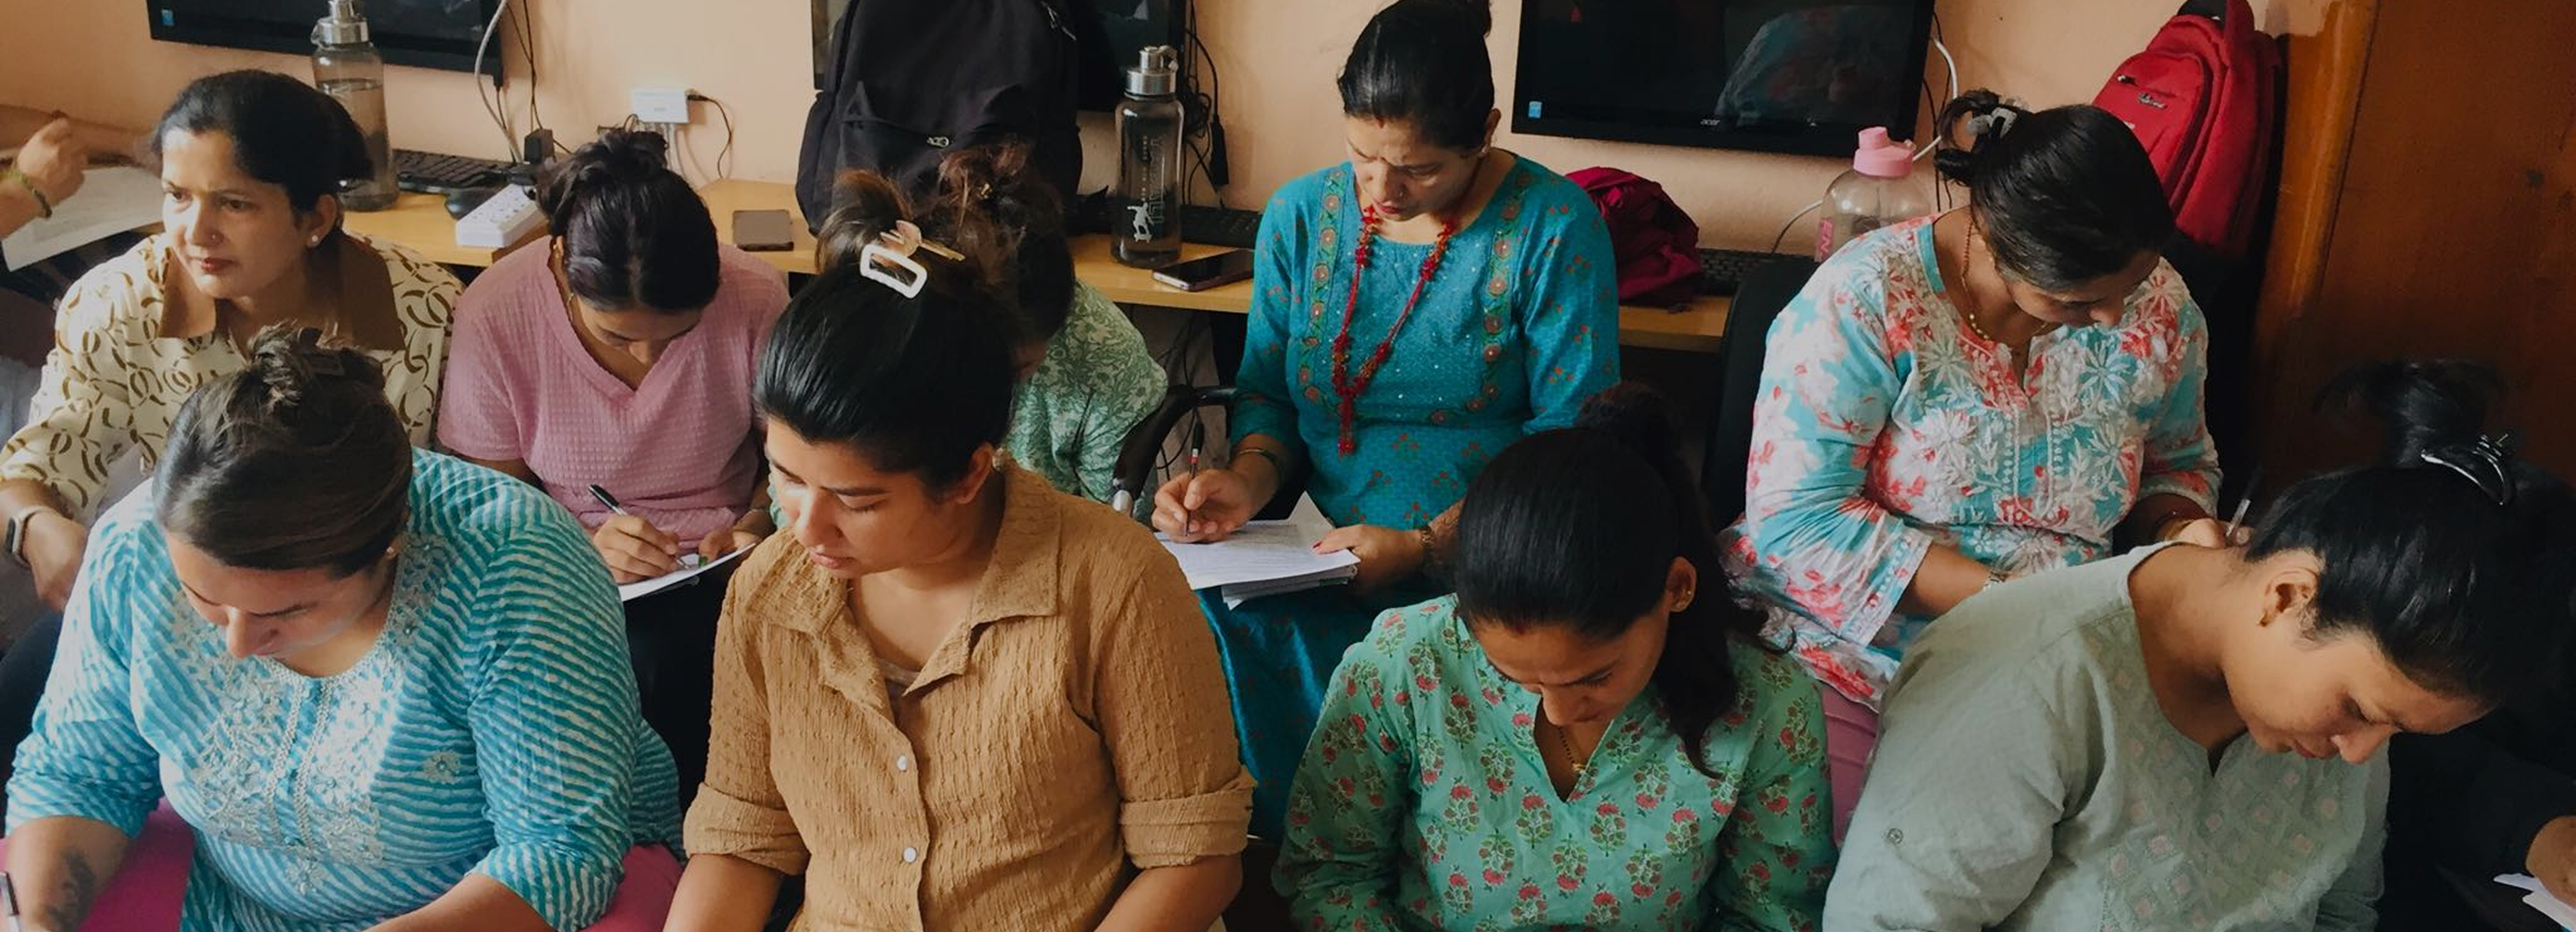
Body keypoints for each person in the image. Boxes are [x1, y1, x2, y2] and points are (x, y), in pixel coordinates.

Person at [1823, 360, 2576, 931]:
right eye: (2358, 708)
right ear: (2287, 594)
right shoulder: (2028, 680)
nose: (2360, 752)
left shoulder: (2344, 721)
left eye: (2398, 731)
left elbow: (2347, 913)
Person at [662, 220, 1252, 931]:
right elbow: (743, 840)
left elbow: (1194, 858)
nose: (807, 528)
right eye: (786, 478)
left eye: (858, 500)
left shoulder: (1113, 586)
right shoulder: (768, 595)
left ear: (970, 474)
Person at [3, 328, 682, 932]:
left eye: (286, 612)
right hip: (228, 893)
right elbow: (79, 776)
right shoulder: (132, 546)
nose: (238, 644)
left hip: (492, 902)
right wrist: (35, 922)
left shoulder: (514, 568)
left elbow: (558, 852)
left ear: (389, 545)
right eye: (203, 598)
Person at [1149, 0, 1620, 836]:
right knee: (1206, 620)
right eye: (1361, 155)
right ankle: (1295, 869)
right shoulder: (1302, 217)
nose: (1381, 190)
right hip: (1321, 549)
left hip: (1494, 557)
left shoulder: (1553, 229)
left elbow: (1575, 445)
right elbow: (1269, 393)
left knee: (1449, 662)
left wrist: (1430, 546)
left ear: (1487, 130)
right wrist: (1243, 479)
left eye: (1420, 169)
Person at [1724, 89, 2222, 837]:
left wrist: (2183, 530)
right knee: (1909, 848)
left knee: (2120, 843)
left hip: (2072, 648)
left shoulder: (2160, 305)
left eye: (2132, 285)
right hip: (1854, 645)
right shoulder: (1869, 298)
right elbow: (1797, 521)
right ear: (1997, 242)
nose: (2117, 318)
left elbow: (2178, 460)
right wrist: (2012, 601)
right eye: (2081, 302)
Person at [0, 69, 458, 791]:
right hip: (178, 601)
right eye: (177, 196)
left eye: (234, 204)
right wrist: (37, 525)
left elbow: (454, 500)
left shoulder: (422, 310)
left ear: (317, 218)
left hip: (357, 614)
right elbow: (42, 459)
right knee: (17, 719)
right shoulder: (119, 301)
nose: (194, 231)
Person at [1279, 385, 1835, 931]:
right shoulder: (1407, 663)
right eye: (1513, 676)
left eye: (1595, 676)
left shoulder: (1767, 704)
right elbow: (1330, 878)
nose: (1562, 712)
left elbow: (1770, 914)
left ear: (1677, 588)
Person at [436, 129, 787, 796]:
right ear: (561, 261)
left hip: (730, 558)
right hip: (563, 561)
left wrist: (755, 524)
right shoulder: (496, 313)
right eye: (619, 335)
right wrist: (584, 547)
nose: (652, 359)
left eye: (678, 335)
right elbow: (490, 505)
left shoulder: (754, 297)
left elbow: (795, 459)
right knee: (648, 657)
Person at [814, 142, 1165, 504]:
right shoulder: (901, 332)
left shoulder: (1107, 358)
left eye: (1016, 370)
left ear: (1061, 325)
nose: (991, 391)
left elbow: (1115, 530)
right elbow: (809, 482)